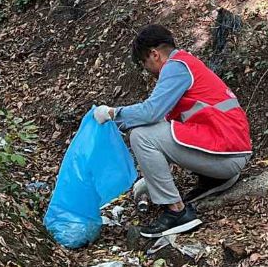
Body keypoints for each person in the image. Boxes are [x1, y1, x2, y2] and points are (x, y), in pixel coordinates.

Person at [94, 25, 252, 238]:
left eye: (144, 63)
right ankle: (213, 179)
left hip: (228, 155)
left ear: (154, 54)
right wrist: (151, 179)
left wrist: (113, 113)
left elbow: (150, 113)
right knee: (148, 132)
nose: (147, 69)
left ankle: (177, 212)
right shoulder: (187, 65)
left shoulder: (175, 67)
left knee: (140, 135)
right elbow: (163, 127)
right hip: (229, 151)